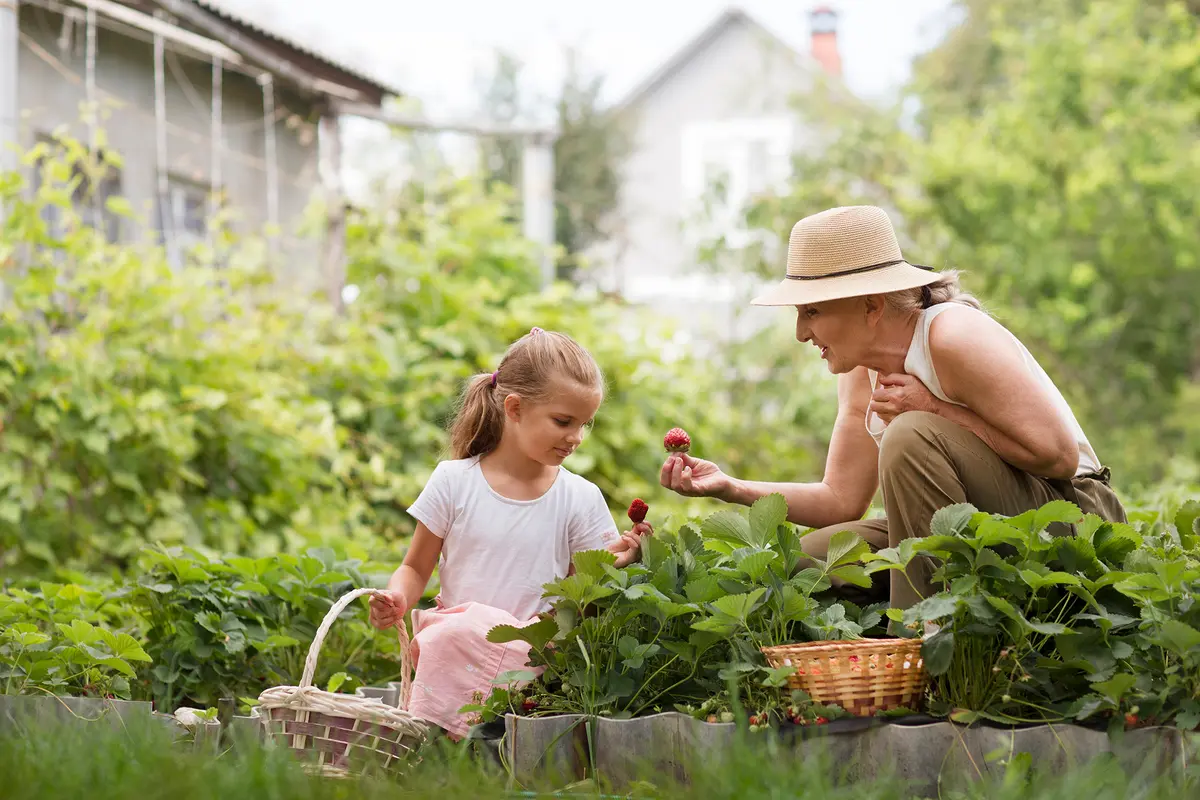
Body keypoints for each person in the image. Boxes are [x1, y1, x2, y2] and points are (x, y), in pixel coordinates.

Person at [659, 205, 1125, 611]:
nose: (801, 332)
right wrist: (730, 487)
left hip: (1073, 519)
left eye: (812, 312)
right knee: (811, 560)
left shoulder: (952, 335)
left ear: (872, 306)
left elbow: (1059, 458)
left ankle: (931, 650)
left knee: (909, 433)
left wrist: (934, 411)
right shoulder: (857, 370)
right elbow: (840, 501)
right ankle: (897, 637)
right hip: (977, 521)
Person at [368, 328, 649, 739]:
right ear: (514, 408)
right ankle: (450, 745)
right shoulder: (453, 481)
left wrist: (617, 560)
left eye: (584, 424)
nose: (576, 438)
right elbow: (415, 566)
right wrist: (397, 596)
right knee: (452, 635)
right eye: (563, 421)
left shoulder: (579, 497)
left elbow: (587, 596)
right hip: (457, 650)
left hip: (535, 656)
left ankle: (487, 743)